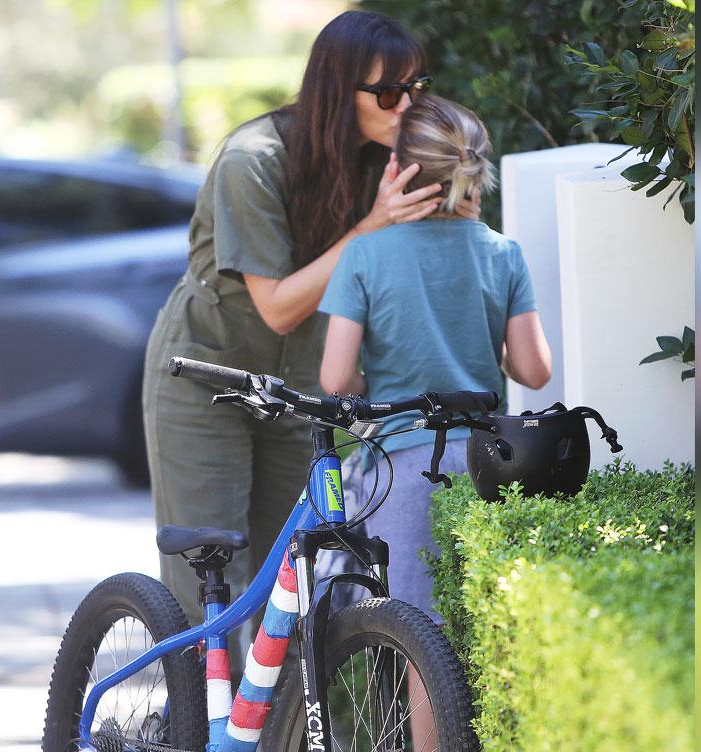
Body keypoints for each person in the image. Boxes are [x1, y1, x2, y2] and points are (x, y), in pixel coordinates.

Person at [142, 10, 478, 670]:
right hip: (205, 380)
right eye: (389, 94)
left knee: (293, 593)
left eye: (417, 87)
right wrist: (376, 225)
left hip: (292, 393)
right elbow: (279, 309)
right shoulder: (254, 161)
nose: (408, 106)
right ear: (337, 91)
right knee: (208, 590)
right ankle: (196, 751)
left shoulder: (384, 165)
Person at [318, 94, 553, 752]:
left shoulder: (367, 256)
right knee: (485, 630)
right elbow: (533, 369)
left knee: (422, 640)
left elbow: (334, 377)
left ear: (401, 170)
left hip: (407, 468)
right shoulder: (500, 250)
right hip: (491, 465)